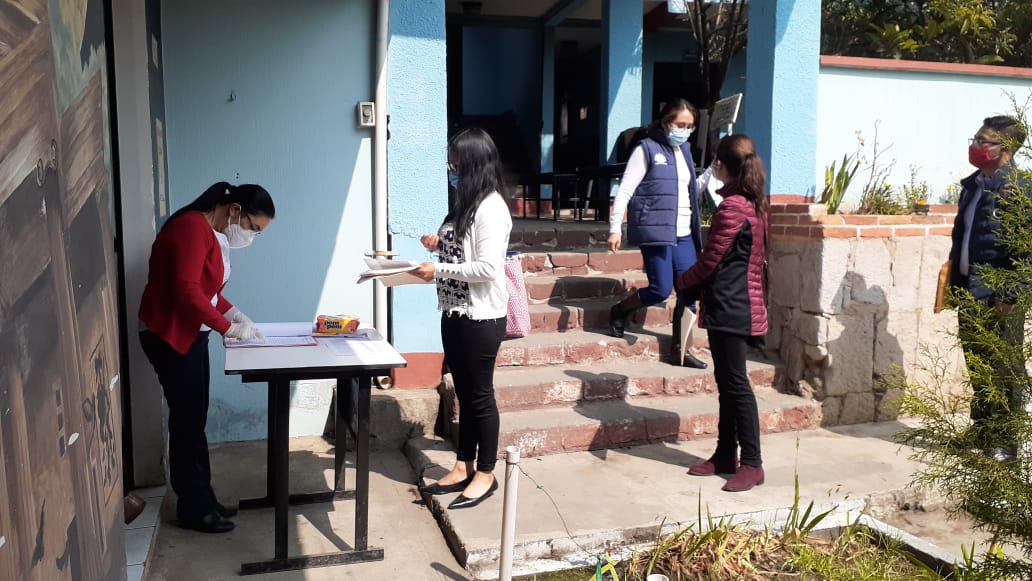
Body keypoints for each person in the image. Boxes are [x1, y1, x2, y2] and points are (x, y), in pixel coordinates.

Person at [138, 182, 274, 532]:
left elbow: (208, 292)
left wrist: (234, 315)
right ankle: (193, 508)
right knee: (186, 423)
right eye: (253, 228)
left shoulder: (212, 233)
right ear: (235, 210)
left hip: (191, 335)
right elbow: (186, 291)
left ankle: (204, 497)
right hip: (169, 335)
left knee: (195, 418)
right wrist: (227, 329)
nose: (251, 236)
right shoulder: (191, 227)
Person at [415, 128, 512, 510]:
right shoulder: (464, 203)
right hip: (455, 312)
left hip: (481, 317)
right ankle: (462, 464)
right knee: (465, 395)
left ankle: (485, 474)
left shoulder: (491, 207)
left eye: (456, 164)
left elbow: (488, 268)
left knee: (479, 397)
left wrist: (436, 271)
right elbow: (461, 250)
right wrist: (438, 245)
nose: (451, 170)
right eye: (450, 163)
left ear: (472, 164)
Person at [677, 135, 769, 492]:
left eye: (717, 161)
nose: (713, 166)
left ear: (723, 166)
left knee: (736, 385)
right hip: (732, 303)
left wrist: (683, 282)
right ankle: (725, 455)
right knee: (728, 385)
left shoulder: (733, 208)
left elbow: (712, 259)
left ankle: (752, 463)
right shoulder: (749, 202)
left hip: (733, 305)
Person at [948, 115, 1028, 463]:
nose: (976, 147)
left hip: (1001, 298)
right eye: (976, 139)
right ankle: (981, 432)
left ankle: (1006, 443)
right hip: (971, 291)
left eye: (984, 141)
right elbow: (965, 239)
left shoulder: (1020, 189)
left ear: (1006, 149)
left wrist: (1010, 296)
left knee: (1005, 368)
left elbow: (1026, 250)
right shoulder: (973, 186)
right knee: (978, 364)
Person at [607, 98, 707, 369]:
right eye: (680, 124)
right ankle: (620, 310)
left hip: (684, 233)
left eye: (690, 126)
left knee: (689, 292)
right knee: (660, 289)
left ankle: (681, 350)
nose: (685, 130)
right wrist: (616, 228)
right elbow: (625, 190)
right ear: (665, 122)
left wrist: (709, 178)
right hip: (657, 232)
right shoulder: (646, 149)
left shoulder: (685, 150)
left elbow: (686, 189)